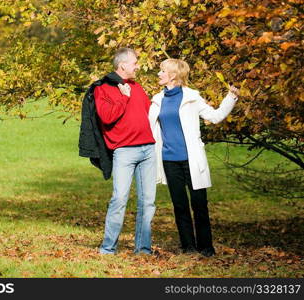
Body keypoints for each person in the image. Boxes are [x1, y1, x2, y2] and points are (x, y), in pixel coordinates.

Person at [148, 58, 239, 257]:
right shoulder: (156, 100)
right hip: (169, 161)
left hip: (192, 160)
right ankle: (188, 247)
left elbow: (215, 117)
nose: (159, 74)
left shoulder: (192, 97)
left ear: (173, 75)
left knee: (199, 204)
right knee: (179, 205)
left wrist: (231, 97)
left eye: (162, 71)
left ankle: (206, 247)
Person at [94, 48, 157, 255]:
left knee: (148, 202)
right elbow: (106, 117)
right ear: (122, 65)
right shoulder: (103, 88)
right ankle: (108, 248)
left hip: (148, 149)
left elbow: (149, 114)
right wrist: (123, 98)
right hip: (124, 151)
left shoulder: (136, 87)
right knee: (119, 199)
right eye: (135, 62)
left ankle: (143, 249)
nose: (138, 66)